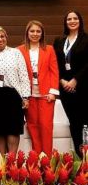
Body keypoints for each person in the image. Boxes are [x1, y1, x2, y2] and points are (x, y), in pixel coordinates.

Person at [0, 26, 30, 156]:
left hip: (13, 96)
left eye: (2, 36)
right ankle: (2, 162)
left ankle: (12, 162)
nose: (0, 39)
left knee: (13, 129)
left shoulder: (15, 53)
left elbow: (24, 75)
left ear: (6, 38)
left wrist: (25, 97)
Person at [18, 20, 59, 157]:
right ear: (27, 33)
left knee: (46, 127)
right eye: (32, 31)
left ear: (42, 34)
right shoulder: (19, 50)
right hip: (28, 96)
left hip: (46, 96)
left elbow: (54, 71)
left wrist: (53, 92)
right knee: (32, 127)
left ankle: (47, 161)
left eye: (38, 31)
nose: (35, 34)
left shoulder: (49, 49)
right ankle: (37, 161)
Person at [53, 11, 88, 156]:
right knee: (74, 124)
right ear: (65, 22)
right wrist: (62, 81)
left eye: (75, 18)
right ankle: (80, 159)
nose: (72, 21)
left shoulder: (86, 39)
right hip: (66, 90)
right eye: (69, 19)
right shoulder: (59, 41)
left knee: (85, 123)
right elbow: (55, 64)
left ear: (80, 21)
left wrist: (75, 80)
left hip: (84, 88)